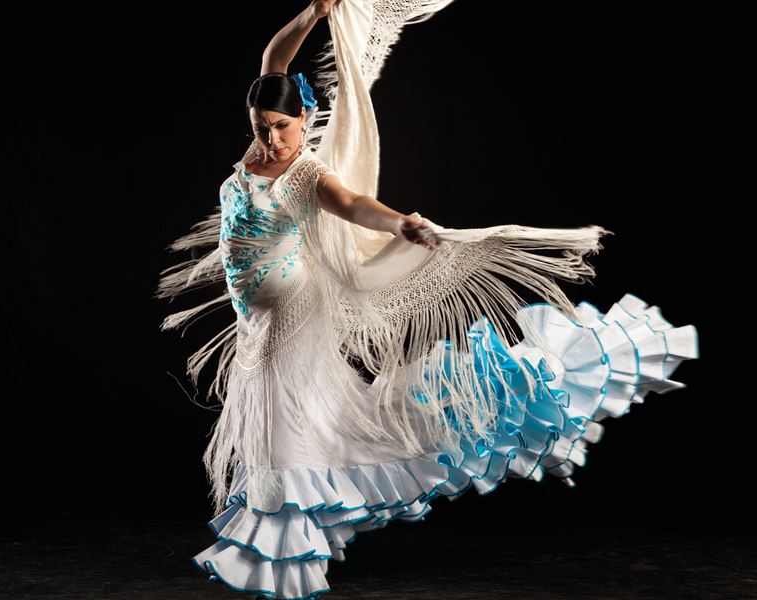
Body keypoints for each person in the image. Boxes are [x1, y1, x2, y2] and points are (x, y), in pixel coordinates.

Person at [156, 1, 699, 598]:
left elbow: (357, 205)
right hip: (255, 320)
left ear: (306, 120)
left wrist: (398, 226)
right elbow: (274, 59)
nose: (270, 136)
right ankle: (291, 538)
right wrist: (313, 12)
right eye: (261, 125)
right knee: (295, 427)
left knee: (285, 430)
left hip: (291, 315)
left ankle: (284, 562)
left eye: (282, 127)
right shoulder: (260, 143)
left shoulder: (308, 174)